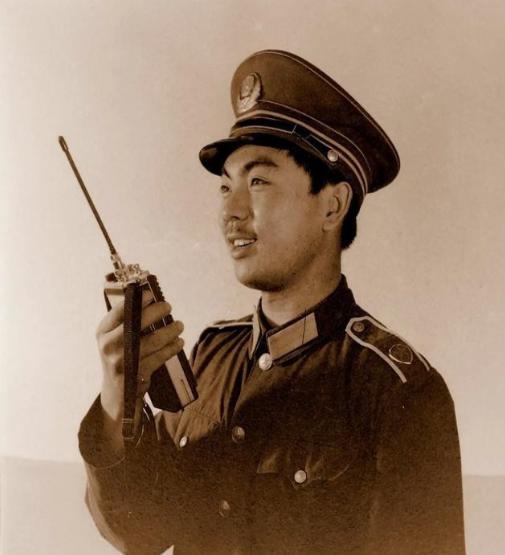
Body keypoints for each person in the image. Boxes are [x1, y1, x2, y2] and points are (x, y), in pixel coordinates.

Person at [79, 50, 466, 555]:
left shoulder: (397, 392)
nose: (231, 212)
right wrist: (118, 402)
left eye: (258, 181)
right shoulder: (210, 357)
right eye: (225, 187)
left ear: (333, 205)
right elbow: (140, 534)